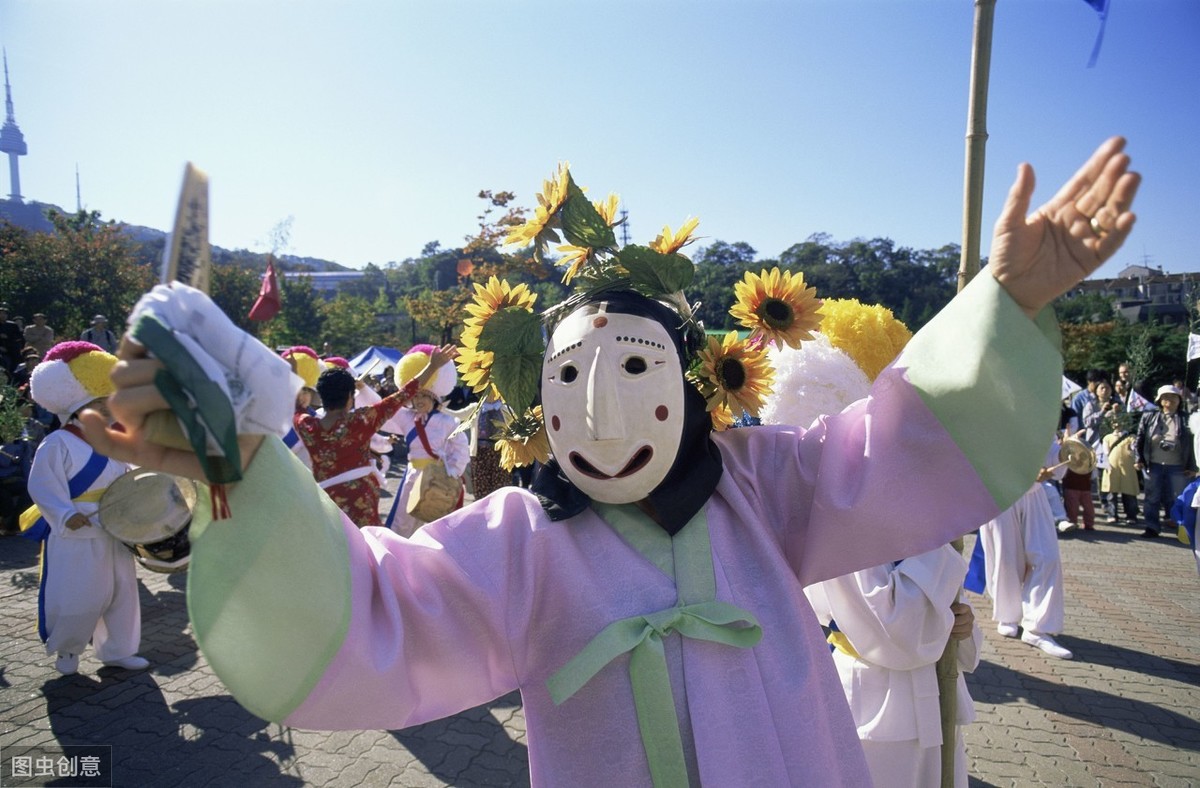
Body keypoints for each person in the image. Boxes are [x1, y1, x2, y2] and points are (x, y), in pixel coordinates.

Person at [83, 139, 1138, 785]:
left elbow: (893, 448)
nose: (604, 401)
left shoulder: (762, 487)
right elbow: (373, 611)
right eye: (572, 373)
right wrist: (246, 473)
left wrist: (1007, 306)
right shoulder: (516, 543)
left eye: (637, 366)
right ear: (538, 399)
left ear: (687, 382)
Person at [806, 547, 981, 788]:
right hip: (877, 699)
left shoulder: (924, 521)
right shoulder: (847, 522)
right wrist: (941, 549)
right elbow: (894, 630)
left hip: (939, 690)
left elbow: (947, 603)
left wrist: (962, 621)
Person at [24, 341, 148, 675]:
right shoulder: (57, 443)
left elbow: (129, 473)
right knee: (78, 595)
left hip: (115, 527)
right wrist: (64, 514)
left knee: (122, 592)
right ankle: (68, 650)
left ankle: (119, 650)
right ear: (79, 408)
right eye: (100, 402)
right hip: (77, 528)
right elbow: (42, 486)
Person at [295, 356, 455, 529]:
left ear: (321, 396)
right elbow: (402, 395)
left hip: (325, 499)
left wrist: (292, 375)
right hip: (361, 499)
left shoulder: (307, 426)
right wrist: (432, 366)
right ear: (350, 396)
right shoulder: (361, 419)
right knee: (365, 547)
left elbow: (296, 407)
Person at [974, 478, 1073, 659]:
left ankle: (1036, 628)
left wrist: (1054, 462)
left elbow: (1055, 456)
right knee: (1005, 558)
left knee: (1047, 558)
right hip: (999, 491)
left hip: (1034, 491)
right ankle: (1007, 615)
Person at [383, 345, 469, 537]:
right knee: (402, 523)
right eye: (416, 396)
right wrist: (362, 390)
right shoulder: (406, 418)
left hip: (437, 477)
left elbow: (461, 448)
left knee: (432, 526)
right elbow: (384, 411)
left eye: (425, 396)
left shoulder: (448, 422)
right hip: (412, 476)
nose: (419, 400)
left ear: (435, 399)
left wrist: (453, 472)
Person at [1135, 384, 1195, 538]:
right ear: (1159, 400)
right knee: (1151, 497)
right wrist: (1138, 458)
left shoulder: (1186, 419)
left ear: (1179, 400)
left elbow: (1194, 443)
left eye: (1173, 397)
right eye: (1165, 397)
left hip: (1178, 466)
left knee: (1180, 498)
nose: (1169, 400)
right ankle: (1152, 527)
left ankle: (1182, 528)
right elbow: (1140, 439)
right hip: (1153, 463)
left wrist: (1192, 466)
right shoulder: (1149, 417)